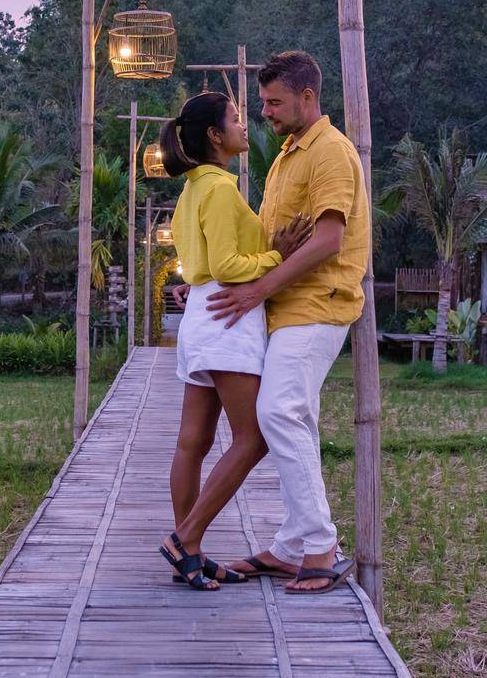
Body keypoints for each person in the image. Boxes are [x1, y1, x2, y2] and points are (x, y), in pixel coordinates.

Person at [208, 50, 369, 594]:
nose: (266, 112)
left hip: (318, 304)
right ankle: (290, 547)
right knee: (294, 420)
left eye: (275, 103)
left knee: (277, 411)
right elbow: (273, 239)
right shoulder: (284, 156)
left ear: (307, 96)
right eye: (262, 103)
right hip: (285, 308)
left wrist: (257, 289)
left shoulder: (330, 151)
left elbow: (329, 239)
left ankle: (321, 545)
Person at [156, 91, 311, 592]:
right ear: (215, 137)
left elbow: (203, 265)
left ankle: (191, 555)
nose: (246, 125)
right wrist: (277, 258)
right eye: (237, 119)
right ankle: (186, 537)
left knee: (193, 442)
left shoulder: (192, 190)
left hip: (203, 313)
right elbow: (227, 267)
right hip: (230, 314)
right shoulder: (220, 190)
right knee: (255, 437)